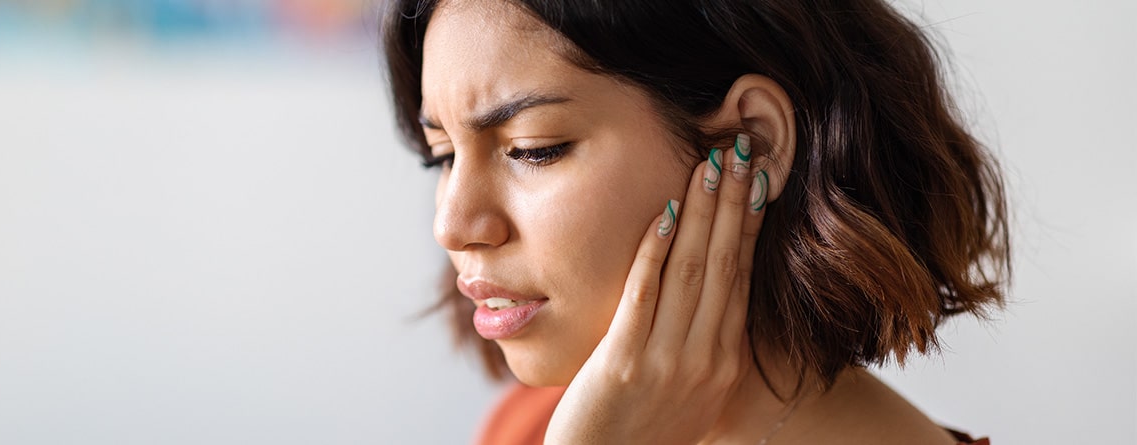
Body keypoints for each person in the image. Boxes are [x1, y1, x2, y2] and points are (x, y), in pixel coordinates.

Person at [382, 0, 1010, 443]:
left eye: (532, 149)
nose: (451, 225)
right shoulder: (537, 424)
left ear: (750, 144)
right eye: (442, 155)